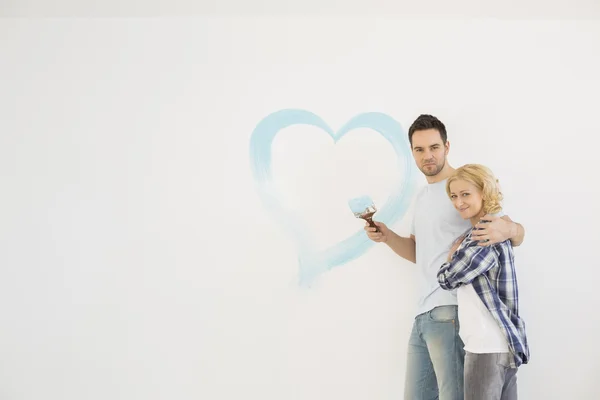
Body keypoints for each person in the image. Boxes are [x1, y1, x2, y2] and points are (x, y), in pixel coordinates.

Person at [364, 114, 525, 400]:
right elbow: (419, 252)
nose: (428, 156)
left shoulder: (465, 186)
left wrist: (512, 227)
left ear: (447, 146)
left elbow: (510, 231)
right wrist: (388, 237)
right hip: (423, 313)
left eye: (434, 147)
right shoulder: (424, 197)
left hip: (450, 310)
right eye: (420, 149)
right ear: (411, 152)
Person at [436, 164, 529, 400]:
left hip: (485, 346)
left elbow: (447, 279)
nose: (458, 203)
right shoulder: (495, 230)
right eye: (454, 196)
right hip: (501, 345)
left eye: (465, 194)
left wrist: (450, 258)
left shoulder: (483, 235)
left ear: (484, 192)